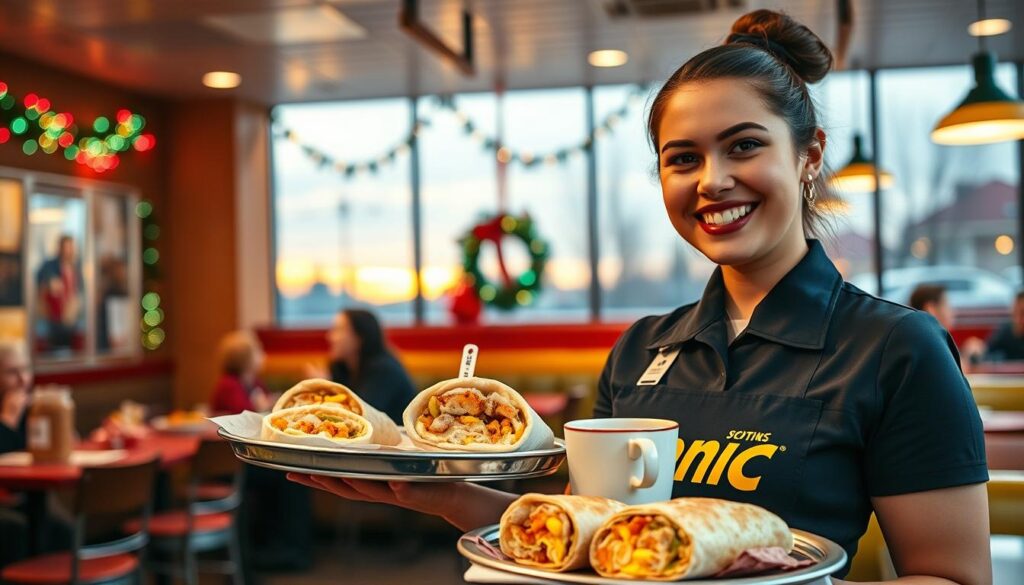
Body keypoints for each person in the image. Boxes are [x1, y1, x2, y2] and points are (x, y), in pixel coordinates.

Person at [289, 10, 991, 584]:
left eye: (744, 146)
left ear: (809, 157)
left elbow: (955, 576)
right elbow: (585, 534)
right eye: (682, 158)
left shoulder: (898, 347)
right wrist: (443, 494)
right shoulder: (640, 349)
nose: (712, 180)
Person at [306, 308, 416, 424]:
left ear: (360, 337)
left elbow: (360, 417)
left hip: (401, 439)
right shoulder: (342, 368)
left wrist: (326, 387)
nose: (329, 337)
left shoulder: (384, 369)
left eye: (338, 330)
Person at [35, 235, 83, 351]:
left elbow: (80, 290)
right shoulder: (49, 265)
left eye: (71, 248)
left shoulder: (76, 267)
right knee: (52, 347)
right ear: (60, 249)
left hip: (71, 316)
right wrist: (50, 283)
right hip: (53, 317)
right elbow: (39, 279)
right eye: (66, 248)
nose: (69, 252)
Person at [211, 330, 274, 414]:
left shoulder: (254, 381)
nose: (264, 355)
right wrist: (261, 406)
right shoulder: (229, 385)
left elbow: (268, 398)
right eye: (259, 351)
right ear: (246, 359)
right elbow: (240, 412)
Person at [984, 290, 1024, 361]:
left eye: (1022, 313)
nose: (1018, 319)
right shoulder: (1005, 331)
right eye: (1015, 313)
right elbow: (986, 354)